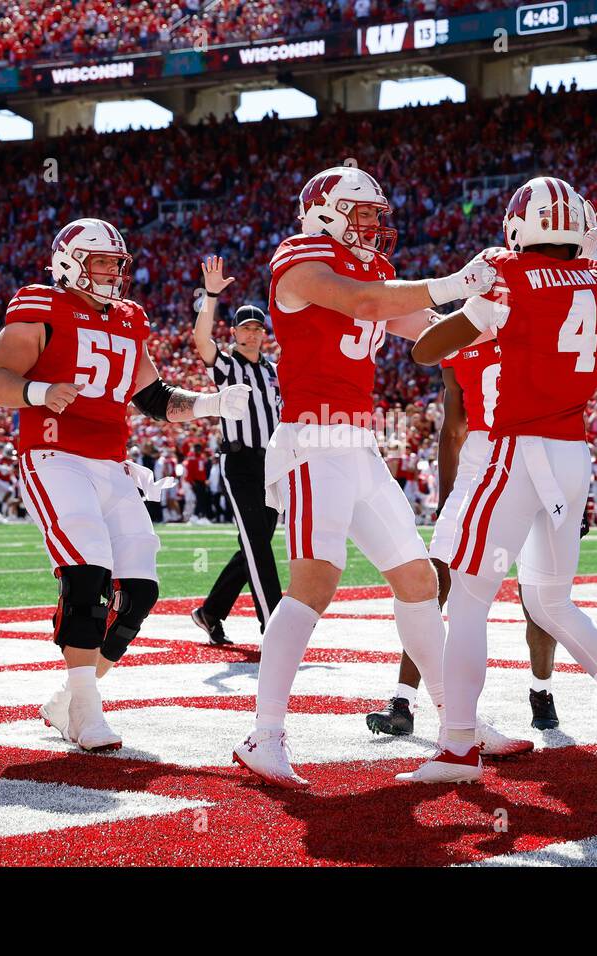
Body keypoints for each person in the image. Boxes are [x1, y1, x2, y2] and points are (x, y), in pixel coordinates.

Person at [230, 165, 522, 789]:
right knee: (313, 583)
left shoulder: (373, 273)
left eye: (374, 217)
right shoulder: (298, 258)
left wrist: (486, 319)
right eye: (361, 216)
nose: (372, 228)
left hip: (358, 445)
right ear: (326, 213)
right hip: (312, 441)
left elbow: (423, 332)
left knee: (418, 579)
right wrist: (452, 283)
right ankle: (265, 733)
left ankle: (457, 726)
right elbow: (366, 303)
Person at [402, 176, 597, 784]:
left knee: (469, 598)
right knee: (551, 601)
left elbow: (428, 350)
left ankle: (459, 748)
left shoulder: (507, 275)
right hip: (573, 455)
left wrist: (470, 292)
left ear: (519, 229)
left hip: (516, 450)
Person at [0, 217, 251, 753]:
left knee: (140, 592)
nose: (109, 272)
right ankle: (87, 711)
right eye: (98, 261)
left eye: (114, 263)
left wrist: (212, 404)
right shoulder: (41, 305)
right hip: (55, 456)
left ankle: (68, 700)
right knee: (87, 573)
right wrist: (37, 392)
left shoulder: (129, 319)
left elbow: (153, 398)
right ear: (68, 263)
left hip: (111, 464)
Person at [365, 335, 562, 737]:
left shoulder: (527, 327)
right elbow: (453, 428)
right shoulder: (461, 339)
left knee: (536, 596)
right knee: (434, 583)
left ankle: (541, 690)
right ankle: (403, 700)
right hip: (478, 466)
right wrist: (448, 498)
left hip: (527, 462)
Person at [191, 257, 284, 646]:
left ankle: (210, 611)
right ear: (235, 332)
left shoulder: (273, 370)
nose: (253, 333)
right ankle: (276, 624)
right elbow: (200, 342)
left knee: (254, 542)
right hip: (241, 460)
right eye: (246, 327)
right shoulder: (228, 365)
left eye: (258, 327)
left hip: (273, 463)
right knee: (257, 544)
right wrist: (210, 296)